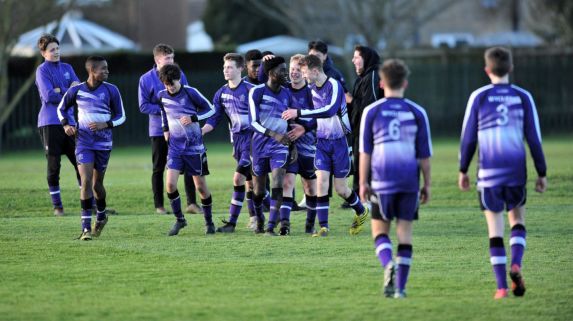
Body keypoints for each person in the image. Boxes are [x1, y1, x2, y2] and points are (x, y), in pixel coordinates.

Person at [458, 47, 547, 299]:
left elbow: (467, 139)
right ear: (510, 68)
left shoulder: (479, 96)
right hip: (516, 172)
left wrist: (463, 169)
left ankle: (501, 288)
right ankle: (516, 263)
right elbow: (534, 139)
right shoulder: (523, 97)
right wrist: (542, 172)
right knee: (517, 220)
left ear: (487, 70)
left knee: (495, 230)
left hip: (488, 174)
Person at [359, 59, 432, 299]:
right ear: (405, 83)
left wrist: (362, 183)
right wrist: (427, 184)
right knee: (405, 236)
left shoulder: (372, 111)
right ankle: (400, 288)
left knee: (379, 232)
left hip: (381, 181)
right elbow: (424, 156)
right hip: (409, 183)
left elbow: (365, 152)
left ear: (381, 83)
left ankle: (388, 263)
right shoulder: (417, 111)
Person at [282, 54, 367, 237]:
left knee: (341, 189)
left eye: (304, 72)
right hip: (321, 142)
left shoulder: (334, 85)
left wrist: (298, 112)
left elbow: (329, 110)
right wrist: (305, 128)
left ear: (314, 70)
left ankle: (361, 211)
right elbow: (316, 117)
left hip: (340, 143)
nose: (303, 76)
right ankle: (324, 227)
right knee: (321, 182)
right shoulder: (312, 88)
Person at [57, 56, 126, 240]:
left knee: (97, 184)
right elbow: (61, 108)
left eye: (107, 68)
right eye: (103, 69)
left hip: (103, 144)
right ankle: (86, 228)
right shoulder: (77, 90)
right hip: (84, 142)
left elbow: (121, 116)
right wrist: (66, 125)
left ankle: (101, 215)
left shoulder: (112, 90)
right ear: (92, 71)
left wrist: (106, 124)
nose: (107, 71)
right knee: (86, 180)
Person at [138, 44, 201, 215]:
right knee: (158, 168)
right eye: (167, 59)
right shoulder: (145, 79)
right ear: (157, 60)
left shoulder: (180, 75)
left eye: (172, 58)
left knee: (189, 165)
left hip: (182, 130)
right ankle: (159, 206)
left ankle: (191, 204)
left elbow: (187, 96)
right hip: (159, 131)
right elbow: (143, 106)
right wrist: (165, 109)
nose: (171, 61)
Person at [157, 64, 216, 236]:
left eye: (172, 83)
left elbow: (211, 109)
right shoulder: (161, 95)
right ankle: (180, 220)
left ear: (179, 79)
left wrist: (193, 118)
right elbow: (163, 112)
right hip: (175, 148)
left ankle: (209, 222)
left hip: (194, 148)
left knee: (201, 188)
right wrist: (165, 130)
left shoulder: (191, 92)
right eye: (167, 84)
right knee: (170, 185)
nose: (170, 87)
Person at [201, 53, 257, 233]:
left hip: (253, 139)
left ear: (241, 68)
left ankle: (232, 223)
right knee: (251, 182)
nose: (226, 70)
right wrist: (200, 131)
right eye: (224, 67)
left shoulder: (251, 90)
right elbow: (214, 118)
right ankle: (259, 217)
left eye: (230, 67)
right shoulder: (221, 93)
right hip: (237, 142)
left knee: (238, 178)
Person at [249, 56, 300, 235]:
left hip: (280, 146)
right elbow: (253, 123)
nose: (285, 73)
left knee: (278, 181)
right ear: (271, 73)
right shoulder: (257, 92)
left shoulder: (287, 93)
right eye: (282, 70)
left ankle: (271, 226)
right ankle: (259, 219)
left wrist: (292, 146)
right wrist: (273, 134)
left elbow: (291, 121)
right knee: (258, 191)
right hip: (259, 146)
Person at [35, 34, 81, 216]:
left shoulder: (68, 67)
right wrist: (67, 90)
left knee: (82, 163)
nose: (56, 52)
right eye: (52, 50)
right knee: (54, 166)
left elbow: (78, 90)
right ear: (43, 53)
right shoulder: (41, 70)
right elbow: (48, 96)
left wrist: (60, 90)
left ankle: (89, 203)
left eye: (57, 48)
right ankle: (58, 207)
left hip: (71, 122)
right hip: (51, 122)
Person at [283, 54, 318, 234]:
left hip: (309, 146)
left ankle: (310, 225)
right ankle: (285, 225)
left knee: (310, 186)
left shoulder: (312, 93)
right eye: (292, 70)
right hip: (289, 147)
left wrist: (303, 128)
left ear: (304, 72)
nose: (294, 73)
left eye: (298, 69)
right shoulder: (284, 90)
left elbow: (321, 117)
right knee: (288, 182)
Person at [350, 45, 382, 196]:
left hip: (370, 131)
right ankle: (358, 195)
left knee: (368, 162)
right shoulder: (362, 78)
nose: (353, 60)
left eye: (356, 57)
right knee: (358, 162)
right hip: (359, 130)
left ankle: (368, 195)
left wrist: (351, 100)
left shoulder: (374, 75)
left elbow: (371, 106)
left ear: (366, 59)